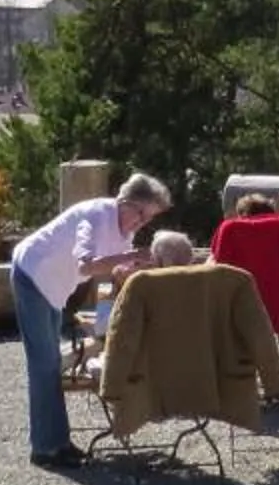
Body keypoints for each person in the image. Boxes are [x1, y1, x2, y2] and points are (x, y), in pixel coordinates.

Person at [11, 173, 168, 469]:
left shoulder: (124, 231)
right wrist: (130, 256)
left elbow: (116, 269)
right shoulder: (94, 216)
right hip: (32, 274)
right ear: (124, 202)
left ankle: (57, 442)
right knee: (44, 365)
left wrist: (140, 269)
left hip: (53, 287)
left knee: (51, 365)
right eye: (140, 214)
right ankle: (45, 448)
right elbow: (86, 265)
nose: (141, 223)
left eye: (148, 219)